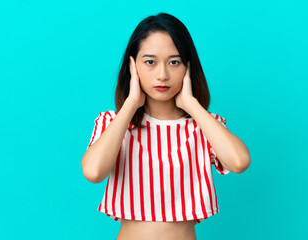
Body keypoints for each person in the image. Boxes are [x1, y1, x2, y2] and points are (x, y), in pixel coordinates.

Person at [81, 12, 251, 240]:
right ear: (132, 66)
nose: (162, 75)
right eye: (150, 62)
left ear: (188, 67)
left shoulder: (204, 127)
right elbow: (93, 172)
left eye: (174, 62)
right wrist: (131, 103)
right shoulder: (114, 124)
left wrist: (192, 105)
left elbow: (239, 162)